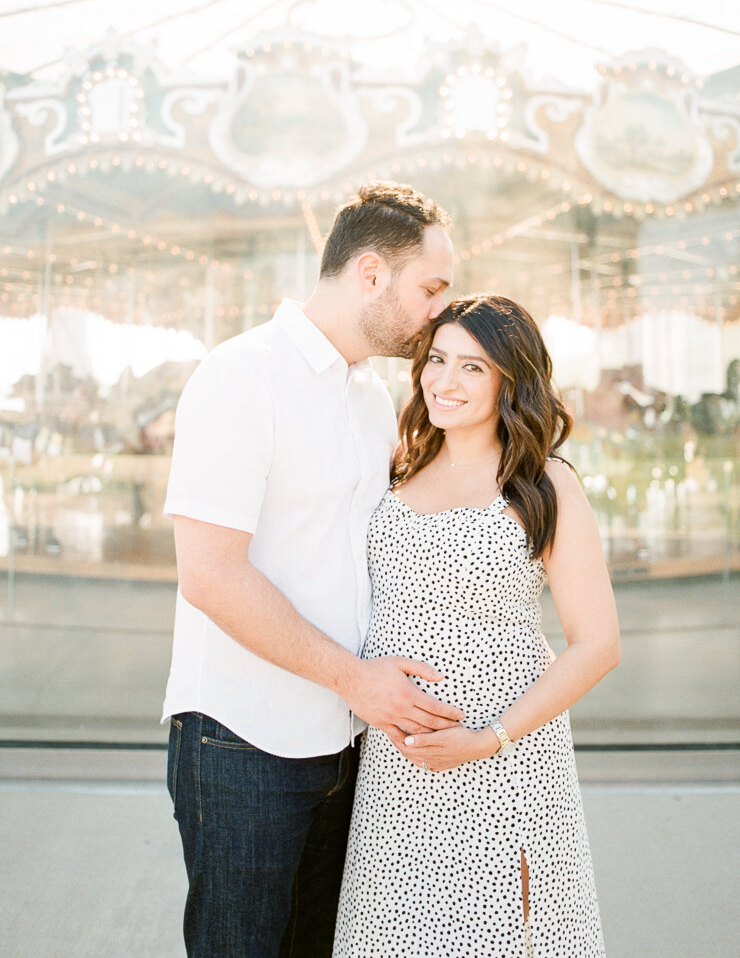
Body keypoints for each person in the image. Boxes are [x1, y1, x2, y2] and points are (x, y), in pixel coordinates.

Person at [162, 182, 465, 958]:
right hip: (241, 742)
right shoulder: (240, 376)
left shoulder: (370, 398)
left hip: (344, 741)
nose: (438, 311)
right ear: (371, 273)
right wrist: (358, 680)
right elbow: (211, 577)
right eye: (430, 288)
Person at [334, 294, 621, 958]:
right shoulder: (395, 467)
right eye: (437, 360)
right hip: (399, 764)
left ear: (508, 381)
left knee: (500, 929)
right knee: (398, 930)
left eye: (472, 368)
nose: (444, 380)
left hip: (504, 750)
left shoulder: (543, 483)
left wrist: (488, 740)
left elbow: (598, 644)